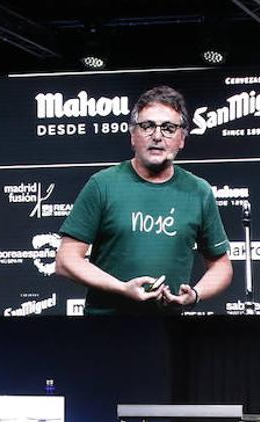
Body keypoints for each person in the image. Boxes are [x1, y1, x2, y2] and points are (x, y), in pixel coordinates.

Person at [55, 85, 231, 315]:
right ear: (133, 135)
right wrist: (122, 288)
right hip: (105, 327)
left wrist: (195, 294)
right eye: (147, 126)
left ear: (182, 139)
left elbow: (221, 266)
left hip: (168, 328)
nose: (157, 136)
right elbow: (66, 260)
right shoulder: (102, 184)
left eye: (168, 128)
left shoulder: (199, 191)